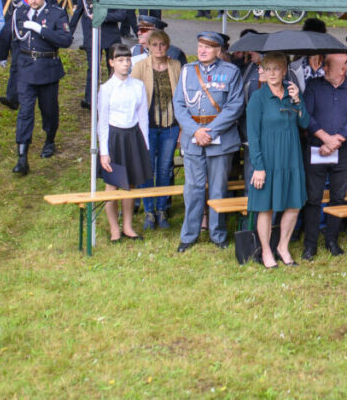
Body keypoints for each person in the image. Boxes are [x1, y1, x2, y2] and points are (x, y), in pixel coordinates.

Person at [173, 31, 244, 252]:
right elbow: (179, 105)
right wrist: (196, 131)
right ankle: (189, 234)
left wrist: (210, 132)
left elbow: (235, 106)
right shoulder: (187, 72)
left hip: (220, 140)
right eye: (200, 45)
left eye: (208, 46)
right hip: (194, 139)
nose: (202, 50)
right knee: (192, 188)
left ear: (218, 50)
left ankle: (218, 234)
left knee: (218, 188)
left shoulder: (231, 72)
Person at [0, 0, 73, 173]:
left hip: (47, 67)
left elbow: (66, 40)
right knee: (25, 112)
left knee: (49, 110)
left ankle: (49, 139)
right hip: (26, 67)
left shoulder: (56, 13)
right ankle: (22, 155)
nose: (33, 1)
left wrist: (41, 30)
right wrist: (1, 54)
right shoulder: (20, 12)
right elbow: (8, 32)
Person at [246, 52, 309, 268]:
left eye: (277, 69)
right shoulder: (258, 98)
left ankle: (283, 246)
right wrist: (259, 167)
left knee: (293, 204)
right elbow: (252, 136)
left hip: (291, 158)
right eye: (268, 68)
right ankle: (265, 251)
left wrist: (298, 101)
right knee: (266, 207)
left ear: (284, 71)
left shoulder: (292, 94)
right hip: (268, 159)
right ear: (262, 71)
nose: (272, 73)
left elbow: (305, 124)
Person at [301, 53, 347, 259]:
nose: (323, 69)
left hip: (343, 152)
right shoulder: (313, 85)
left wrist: (337, 140)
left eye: (328, 65)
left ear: (343, 69)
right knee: (313, 198)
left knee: (338, 197)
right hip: (316, 150)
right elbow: (306, 115)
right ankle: (309, 244)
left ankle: (331, 240)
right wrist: (325, 139)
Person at [96, 43, 151, 242]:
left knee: (131, 185)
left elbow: (142, 116)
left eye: (127, 59)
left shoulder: (137, 85)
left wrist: (144, 145)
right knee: (112, 185)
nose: (125, 64)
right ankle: (114, 229)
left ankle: (128, 226)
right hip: (114, 138)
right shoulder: (106, 88)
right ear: (111, 63)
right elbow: (102, 122)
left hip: (133, 136)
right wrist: (104, 152)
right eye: (120, 60)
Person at [131, 29, 182, 230]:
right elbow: (133, 96)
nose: (159, 48)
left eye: (162, 44)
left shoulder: (176, 65)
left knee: (165, 168)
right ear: (148, 47)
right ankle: (148, 211)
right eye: (155, 45)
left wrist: (182, 129)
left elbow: (182, 96)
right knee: (148, 168)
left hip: (170, 126)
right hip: (148, 127)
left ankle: (162, 209)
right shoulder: (140, 66)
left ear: (167, 46)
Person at [0, 0, 56, 111]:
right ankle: (12, 97)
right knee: (16, 61)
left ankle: (39, 92)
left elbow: (52, 6)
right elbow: (6, 3)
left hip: (38, 27)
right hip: (19, 28)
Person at [79, 0, 128, 109]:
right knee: (93, 69)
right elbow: (81, 13)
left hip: (111, 36)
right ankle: (90, 99)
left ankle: (116, 97)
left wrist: (102, 16)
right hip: (93, 36)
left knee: (115, 69)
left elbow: (122, 15)